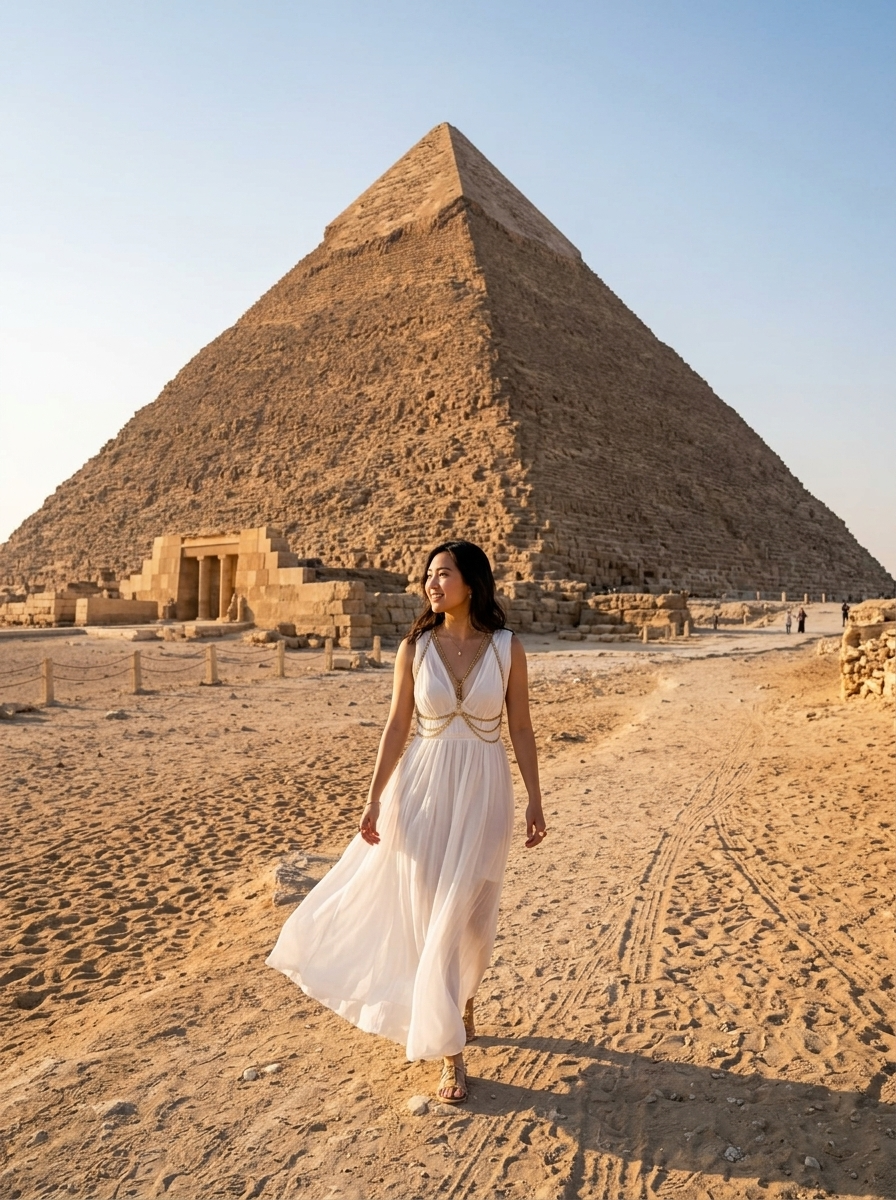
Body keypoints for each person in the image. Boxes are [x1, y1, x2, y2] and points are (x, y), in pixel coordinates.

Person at [266, 540, 547, 1105]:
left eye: (443, 574)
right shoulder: (414, 648)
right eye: (428, 576)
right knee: (430, 914)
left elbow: (520, 727)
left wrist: (536, 799)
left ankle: (463, 996)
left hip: (486, 790)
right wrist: (373, 798)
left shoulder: (509, 648)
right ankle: (450, 1053)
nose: (431, 584)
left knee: (472, 913)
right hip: (419, 791)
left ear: (472, 581)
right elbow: (397, 727)